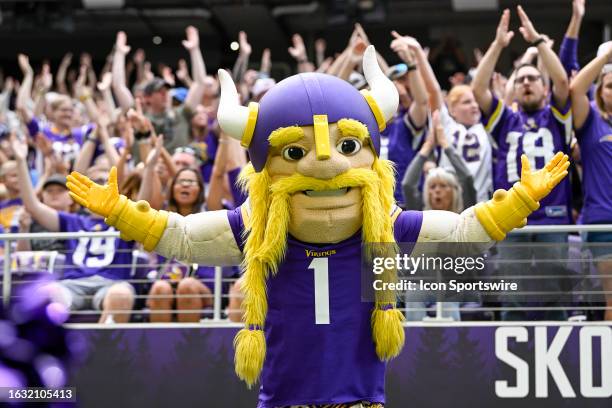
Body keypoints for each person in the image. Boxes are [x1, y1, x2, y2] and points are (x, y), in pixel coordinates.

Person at [67, 47, 568, 406]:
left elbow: (461, 230)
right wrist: (120, 212)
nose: (325, 167)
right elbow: (178, 236)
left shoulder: (383, 224)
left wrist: (519, 199)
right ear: (267, 164)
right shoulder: (257, 225)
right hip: (285, 400)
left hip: (361, 400)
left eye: (348, 148)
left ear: (370, 156)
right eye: (294, 152)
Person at [472, 7, 572, 321]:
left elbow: (562, 80)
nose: (527, 82)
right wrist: (498, 44)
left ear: (543, 88)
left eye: (533, 79)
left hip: (552, 217)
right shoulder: (506, 121)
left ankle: (559, 345)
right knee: (512, 290)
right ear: (513, 90)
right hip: (512, 215)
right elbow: (478, 89)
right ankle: (511, 350)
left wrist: (539, 41)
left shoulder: (556, 119)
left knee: (554, 291)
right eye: (521, 79)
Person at [12, 136, 135, 324]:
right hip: (72, 284)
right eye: (91, 183)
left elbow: (140, 193)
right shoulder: (71, 221)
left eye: (103, 182)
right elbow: (33, 205)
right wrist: (21, 162)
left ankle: (104, 351)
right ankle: (54, 352)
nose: (97, 187)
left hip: (112, 283)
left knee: (121, 295)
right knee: (45, 295)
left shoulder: (126, 219)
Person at [570, 42, 612, 320]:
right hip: (604, 221)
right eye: (609, 85)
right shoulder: (591, 123)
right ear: (600, 91)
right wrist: (606, 57)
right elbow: (574, 89)